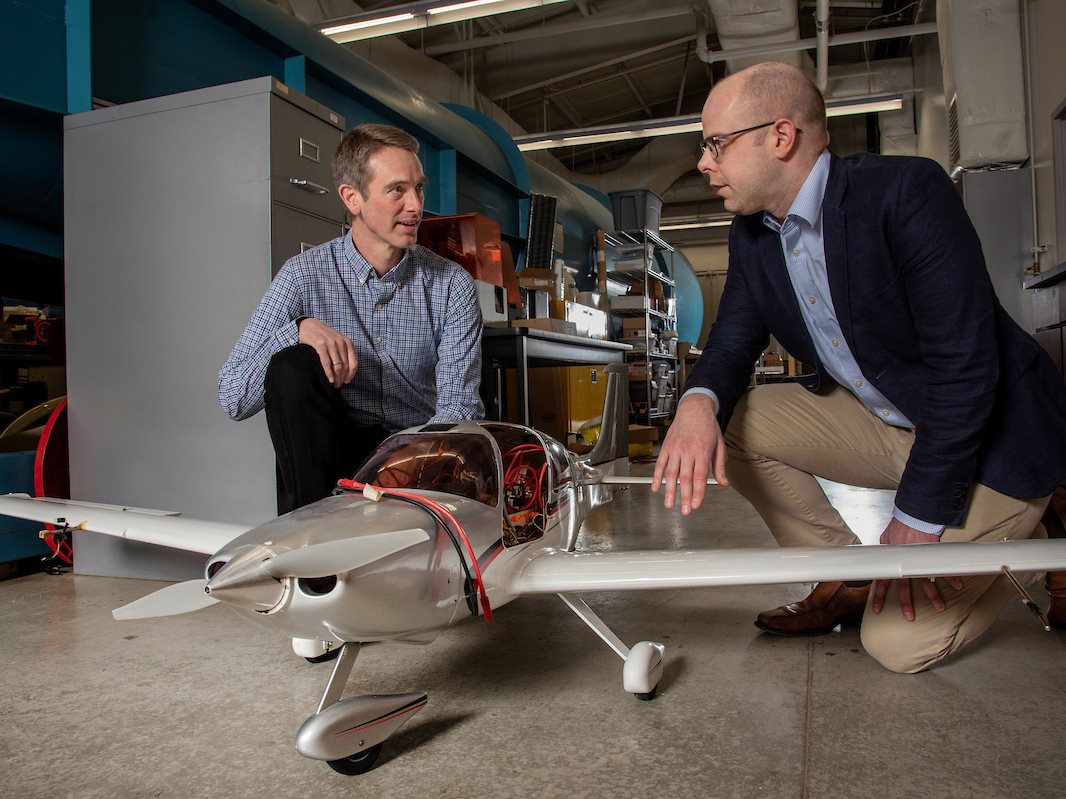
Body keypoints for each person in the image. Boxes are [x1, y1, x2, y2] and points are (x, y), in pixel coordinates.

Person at [653, 61, 1066, 673]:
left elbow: (966, 368)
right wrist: (695, 405)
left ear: (781, 136)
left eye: (716, 143)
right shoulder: (752, 235)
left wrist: (918, 516)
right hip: (894, 422)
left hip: (991, 439)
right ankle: (844, 578)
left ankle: (1039, 530)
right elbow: (733, 340)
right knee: (735, 419)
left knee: (899, 645)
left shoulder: (905, 194)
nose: (704, 162)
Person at [219, 123, 484, 513]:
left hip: (417, 455)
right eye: (397, 190)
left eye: (419, 188)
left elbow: (458, 407)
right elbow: (233, 396)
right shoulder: (303, 275)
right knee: (293, 363)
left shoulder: (451, 284)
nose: (415, 205)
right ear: (352, 198)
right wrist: (296, 332)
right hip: (328, 463)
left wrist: (408, 464)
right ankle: (313, 540)